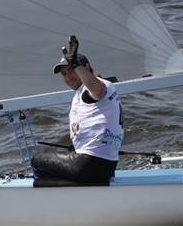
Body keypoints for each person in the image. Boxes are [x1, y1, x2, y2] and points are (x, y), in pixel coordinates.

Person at [30, 36, 124, 187]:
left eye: (71, 70)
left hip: (89, 164)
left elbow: (98, 91)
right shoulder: (85, 92)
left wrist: (76, 64)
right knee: (58, 159)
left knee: (37, 160)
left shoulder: (96, 87)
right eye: (64, 74)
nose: (68, 77)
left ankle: (60, 192)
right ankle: (90, 186)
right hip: (105, 166)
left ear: (86, 68)